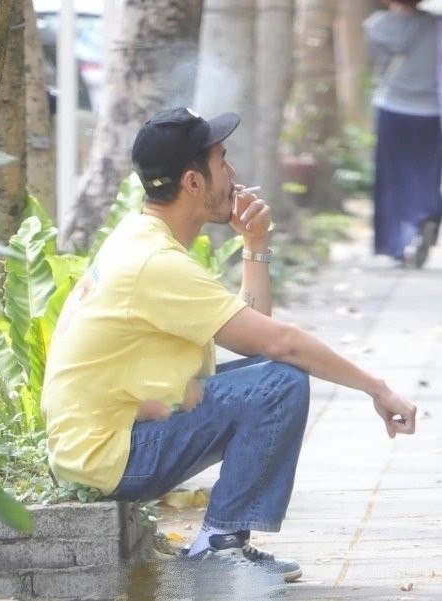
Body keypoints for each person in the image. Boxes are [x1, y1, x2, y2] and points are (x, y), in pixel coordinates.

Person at [41, 107, 417, 583]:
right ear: (193, 182)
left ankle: (223, 541)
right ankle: (218, 547)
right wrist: (377, 388)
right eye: (223, 161)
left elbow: (258, 337)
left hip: (106, 444)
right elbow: (281, 343)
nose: (234, 173)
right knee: (279, 382)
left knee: (273, 375)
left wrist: (255, 245)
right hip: (109, 456)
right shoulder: (154, 262)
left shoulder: (141, 240)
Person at [364, 0, 442, 268]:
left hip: (392, 107)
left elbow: (376, 64)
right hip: (431, 111)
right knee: (426, 172)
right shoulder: (435, 24)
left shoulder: (377, 26)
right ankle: (428, 211)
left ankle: (398, 243)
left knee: (393, 177)